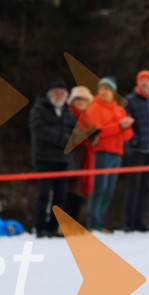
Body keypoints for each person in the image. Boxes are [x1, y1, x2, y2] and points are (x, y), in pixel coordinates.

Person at [81, 77, 134, 232]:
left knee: (109, 191)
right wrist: (119, 126)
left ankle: (99, 223)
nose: (104, 92)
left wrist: (125, 126)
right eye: (102, 88)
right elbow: (96, 133)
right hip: (102, 152)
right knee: (99, 189)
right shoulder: (94, 108)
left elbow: (128, 135)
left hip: (117, 153)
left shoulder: (119, 110)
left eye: (108, 89)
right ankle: (93, 224)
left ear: (113, 92)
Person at [28, 80, 77, 237]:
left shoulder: (68, 112)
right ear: (49, 94)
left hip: (63, 160)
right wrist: (62, 139)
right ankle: (40, 227)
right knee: (43, 194)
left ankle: (53, 227)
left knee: (61, 195)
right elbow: (39, 129)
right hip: (44, 158)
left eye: (62, 94)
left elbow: (75, 131)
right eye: (56, 93)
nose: (59, 96)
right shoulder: (38, 109)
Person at [123, 70, 149, 232]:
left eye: (147, 80)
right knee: (134, 186)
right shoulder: (130, 100)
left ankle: (139, 221)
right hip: (136, 149)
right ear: (138, 82)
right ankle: (129, 222)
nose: (145, 83)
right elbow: (126, 122)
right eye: (142, 80)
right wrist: (133, 140)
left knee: (146, 187)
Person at [65, 86, 97, 221]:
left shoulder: (89, 118)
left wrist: (94, 137)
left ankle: (74, 222)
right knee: (70, 191)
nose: (80, 101)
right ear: (72, 100)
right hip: (72, 156)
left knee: (80, 192)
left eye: (83, 98)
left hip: (85, 157)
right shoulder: (68, 114)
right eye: (77, 98)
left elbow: (93, 141)